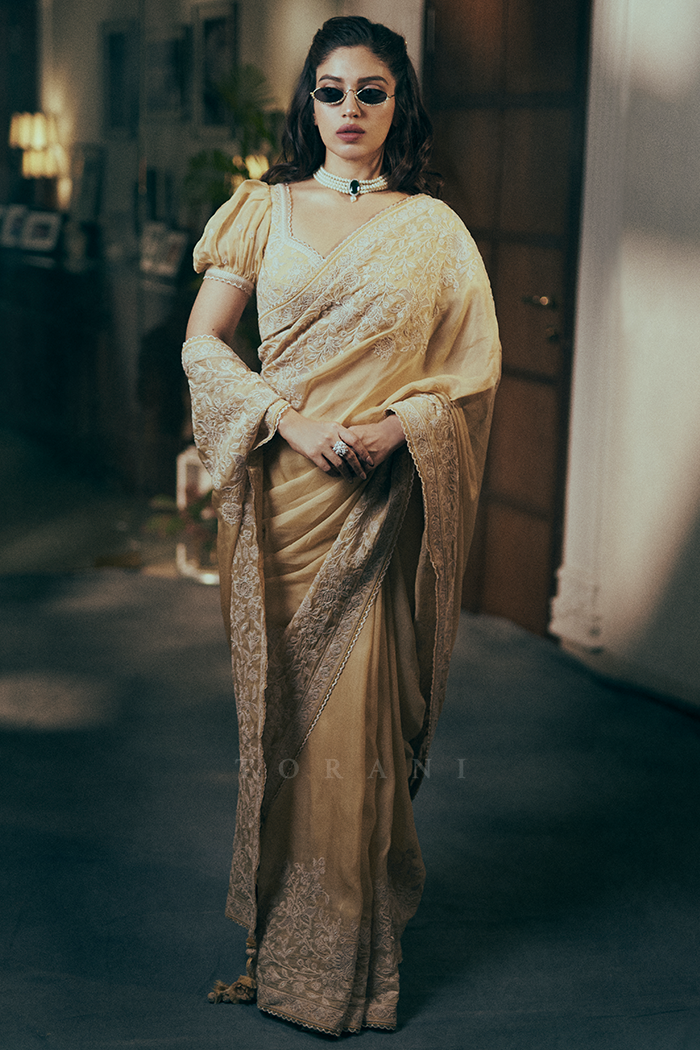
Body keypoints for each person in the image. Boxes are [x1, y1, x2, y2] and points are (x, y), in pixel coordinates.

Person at [182, 15, 500, 1037]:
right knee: (284, 720)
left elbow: (468, 378)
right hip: (281, 502)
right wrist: (290, 420)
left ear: (400, 103)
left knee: (356, 729)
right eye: (332, 91)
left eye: (372, 90)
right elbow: (204, 346)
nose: (351, 109)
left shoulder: (434, 232)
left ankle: (350, 974)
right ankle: (282, 952)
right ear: (307, 103)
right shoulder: (259, 210)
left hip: (378, 506)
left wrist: (396, 428)